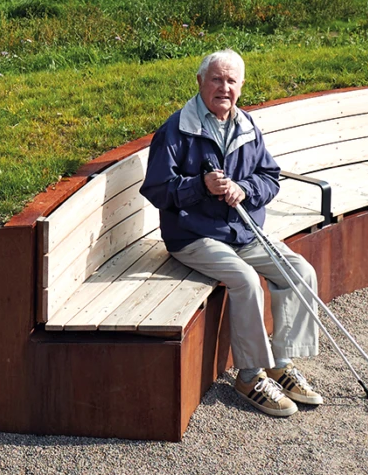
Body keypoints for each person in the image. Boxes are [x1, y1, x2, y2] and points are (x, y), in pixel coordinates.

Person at [138, 49, 323, 418]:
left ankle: (280, 364)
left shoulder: (246, 126)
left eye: (231, 81)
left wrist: (246, 189)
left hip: (242, 228)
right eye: (216, 79)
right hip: (193, 235)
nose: (224, 88)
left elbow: (269, 177)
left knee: (299, 270)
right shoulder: (177, 129)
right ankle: (250, 376)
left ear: (241, 86)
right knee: (245, 281)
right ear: (200, 82)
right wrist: (200, 187)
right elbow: (156, 189)